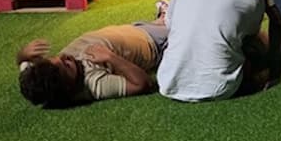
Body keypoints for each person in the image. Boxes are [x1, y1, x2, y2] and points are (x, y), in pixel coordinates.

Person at [16, 19, 169, 108]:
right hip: (154, 43)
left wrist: (22, 54)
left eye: (56, 57)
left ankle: (162, 18)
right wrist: (111, 57)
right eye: (67, 65)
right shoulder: (94, 84)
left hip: (131, 28)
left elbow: (23, 64)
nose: (65, 56)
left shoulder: (35, 75)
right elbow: (142, 84)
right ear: (69, 86)